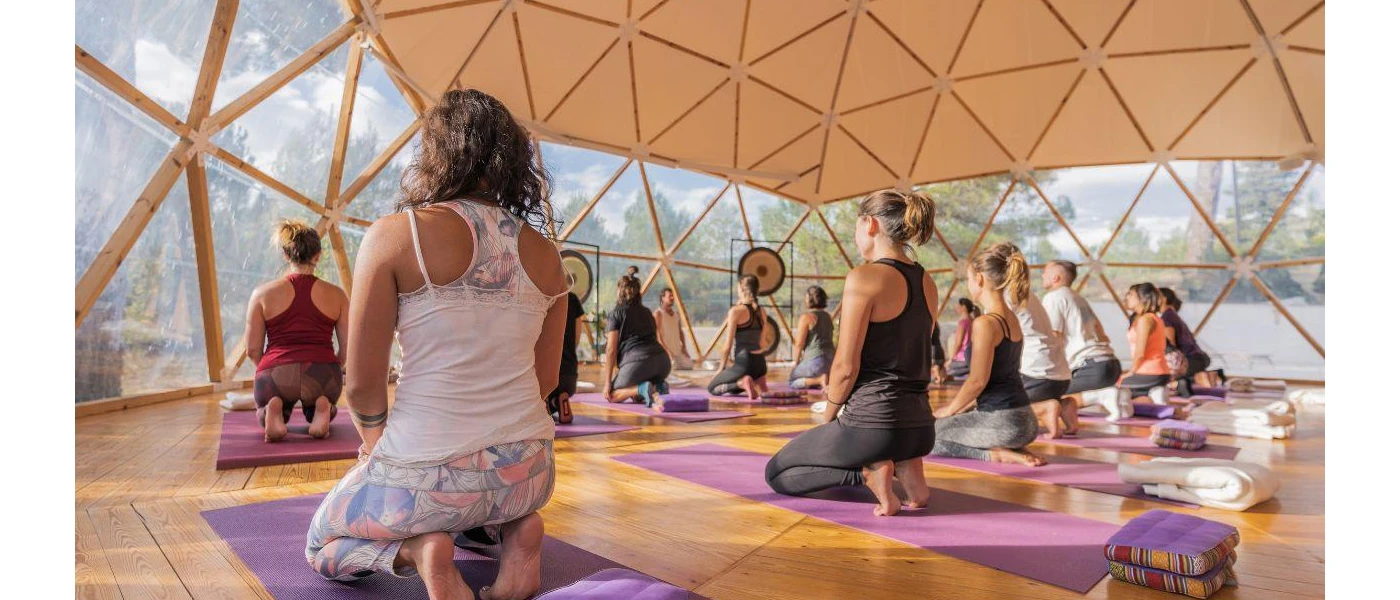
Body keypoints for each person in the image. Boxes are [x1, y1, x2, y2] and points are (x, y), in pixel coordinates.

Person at [305, 89, 568, 600]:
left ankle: (418, 551)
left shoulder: (394, 235)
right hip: (529, 476)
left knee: (322, 545)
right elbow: (547, 380)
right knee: (478, 502)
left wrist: (378, 450)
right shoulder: (548, 256)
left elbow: (361, 386)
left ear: (436, 153)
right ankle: (516, 529)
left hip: (428, 477)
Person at [765, 189, 938, 517]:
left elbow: (845, 366)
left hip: (873, 425)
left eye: (856, 227)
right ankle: (907, 466)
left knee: (777, 473)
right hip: (920, 428)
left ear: (870, 224)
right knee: (884, 441)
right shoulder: (927, 281)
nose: (855, 236)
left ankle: (869, 473)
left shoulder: (864, 277)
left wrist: (829, 418)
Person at [929, 242, 1045, 467]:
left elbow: (977, 381)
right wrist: (957, 411)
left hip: (1002, 423)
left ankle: (995, 454)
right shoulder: (1011, 318)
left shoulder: (986, 323)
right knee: (946, 424)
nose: (969, 285)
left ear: (979, 279)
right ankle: (1009, 447)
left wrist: (949, 410)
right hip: (1026, 422)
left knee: (923, 438)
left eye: (969, 279)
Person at [244, 219, 348, 442]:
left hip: (275, 372)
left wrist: (269, 368)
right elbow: (348, 348)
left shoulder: (262, 294)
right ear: (318, 255)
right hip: (323, 373)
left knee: (267, 406)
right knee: (323, 399)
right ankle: (322, 407)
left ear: (285, 255)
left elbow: (252, 350)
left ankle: (273, 409)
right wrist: (333, 368)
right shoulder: (337, 295)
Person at [1040, 260, 1121, 432]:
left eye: (1045, 271)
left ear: (1056, 277)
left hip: (1090, 367)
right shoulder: (1078, 298)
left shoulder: (1054, 297)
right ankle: (1120, 396)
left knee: (1043, 395)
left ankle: (1100, 396)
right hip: (1110, 365)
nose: (1042, 275)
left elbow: (1054, 338)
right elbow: (1102, 333)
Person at [602, 267, 672, 405]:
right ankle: (658, 386)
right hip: (663, 362)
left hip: (638, 363)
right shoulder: (647, 312)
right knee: (637, 397)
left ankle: (643, 388)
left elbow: (611, 350)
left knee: (612, 395)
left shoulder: (616, 313)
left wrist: (607, 383)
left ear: (620, 291)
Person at [1017, 289, 1073, 438]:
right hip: (1061, 376)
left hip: (1037, 375)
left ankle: (1045, 409)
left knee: (999, 409)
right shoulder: (1029, 294)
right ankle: (1064, 406)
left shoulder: (1002, 297)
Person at [706, 275, 772, 399]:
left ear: (741, 289)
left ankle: (742, 382)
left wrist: (721, 368)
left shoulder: (735, 311)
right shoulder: (762, 311)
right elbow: (762, 343)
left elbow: (728, 345)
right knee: (733, 389)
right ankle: (759, 381)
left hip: (744, 362)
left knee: (713, 387)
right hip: (760, 364)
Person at [1122, 283, 1172, 402]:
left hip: (1151, 372)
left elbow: (1140, 353)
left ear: (1143, 298)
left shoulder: (1146, 320)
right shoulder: (1148, 318)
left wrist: (1131, 372)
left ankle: (1157, 402)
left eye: (1131, 294)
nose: (1127, 297)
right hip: (1153, 371)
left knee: (1113, 389)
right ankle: (1152, 399)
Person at [1158, 287, 1211, 395]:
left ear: (1163, 299)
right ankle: (1202, 377)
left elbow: (1171, 348)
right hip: (1198, 358)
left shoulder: (1166, 317)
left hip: (1190, 361)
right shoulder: (1172, 314)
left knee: (1159, 378)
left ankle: (1190, 380)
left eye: (1155, 296)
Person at [546, 287, 586, 424]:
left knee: (535, 402)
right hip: (569, 377)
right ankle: (558, 399)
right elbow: (576, 341)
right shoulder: (573, 298)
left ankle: (551, 402)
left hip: (546, 378)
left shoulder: (542, 295)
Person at [789, 286, 837, 389]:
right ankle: (822, 380)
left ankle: (819, 380)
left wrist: (795, 363)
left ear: (809, 299)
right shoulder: (828, 316)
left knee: (792, 381)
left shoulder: (807, 317)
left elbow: (799, 344)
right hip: (831, 361)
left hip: (815, 360)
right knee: (811, 381)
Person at [653, 287, 694, 371]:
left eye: (673, 296)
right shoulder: (658, 313)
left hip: (677, 351)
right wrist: (667, 351)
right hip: (665, 351)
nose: (672, 298)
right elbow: (657, 334)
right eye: (670, 296)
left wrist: (684, 348)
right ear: (663, 298)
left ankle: (673, 363)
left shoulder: (676, 314)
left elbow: (680, 332)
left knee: (689, 365)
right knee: (672, 366)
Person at [945, 298, 978, 378]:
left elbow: (958, 343)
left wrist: (951, 359)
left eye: (958, 305)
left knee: (945, 369)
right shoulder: (974, 321)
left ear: (964, 307)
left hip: (962, 358)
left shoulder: (963, 323)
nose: (956, 307)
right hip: (973, 356)